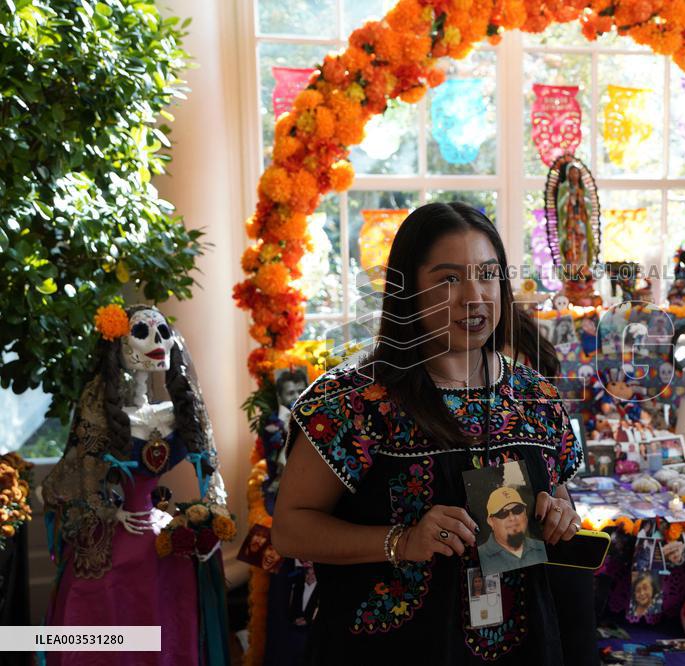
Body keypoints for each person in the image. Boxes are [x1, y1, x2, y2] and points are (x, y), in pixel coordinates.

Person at [271, 202, 584, 664]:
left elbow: (560, 500)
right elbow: (290, 529)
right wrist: (402, 540)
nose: (474, 296)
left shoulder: (536, 396)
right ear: (408, 290)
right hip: (389, 651)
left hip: (522, 648)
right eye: (449, 279)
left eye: (487, 274)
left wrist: (559, 515)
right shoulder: (352, 402)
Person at [41, 305, 230, 666]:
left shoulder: (178, 412)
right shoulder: (100, 413)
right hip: (117, 537)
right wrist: (108, 511)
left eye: (164, 333)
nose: (158, 342)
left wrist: (211, 520)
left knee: (169, 620)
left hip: (164, 539)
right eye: (142, 333)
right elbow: (82, 476)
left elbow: (210, 470)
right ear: (120, 345)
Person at [479, 486, 547, 574]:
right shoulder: (480, 556)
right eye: (503, 513)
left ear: (525, 513)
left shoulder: (542, 548)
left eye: (517, 509)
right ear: (491, 521)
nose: (512, 518)